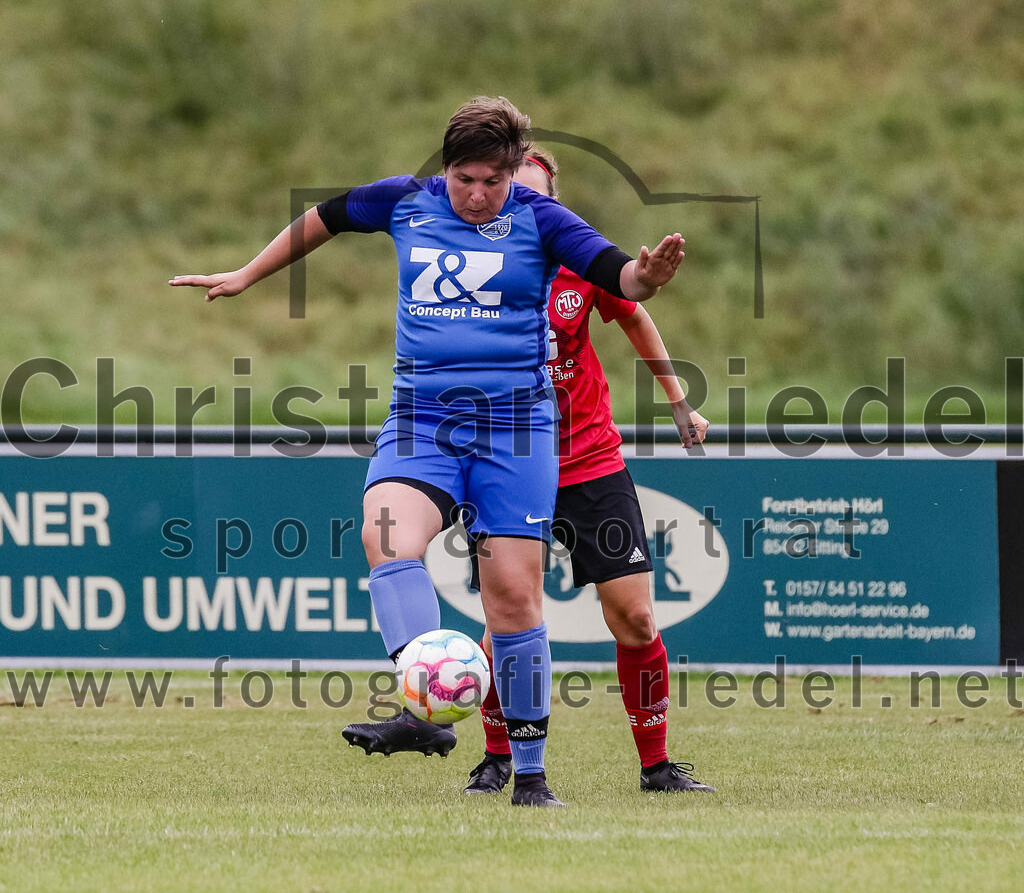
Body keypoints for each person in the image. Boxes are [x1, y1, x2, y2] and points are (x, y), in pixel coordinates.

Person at [169, 97, 685, 808]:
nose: (477, 195)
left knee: (513, 598)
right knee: (385, 531)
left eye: (493, 182)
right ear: (445, 169)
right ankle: (427, 706)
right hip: (424, 418)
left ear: (513, 174)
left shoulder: (542, 220)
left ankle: (529, 775)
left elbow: (620, 276)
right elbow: (324, 217)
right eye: (465, 179)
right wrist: (245, 274)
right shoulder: (405, 202)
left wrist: (647, 277)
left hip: (515, 429)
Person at [461, 149, 714, 796]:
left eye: (538, 196)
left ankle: (656, 766)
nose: (526, 208)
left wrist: (678, 398)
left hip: (591, 462)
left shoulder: (581, 260)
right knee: (503, 625)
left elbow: (633, 308)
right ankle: (496, 759)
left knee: (635, 617)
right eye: (513, 195)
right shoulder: (470, 274)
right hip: (511, 466)